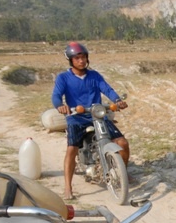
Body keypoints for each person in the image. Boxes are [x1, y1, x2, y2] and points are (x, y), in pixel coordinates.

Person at [51, 41, 130, 200]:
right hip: (76, 117)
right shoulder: (63, 78)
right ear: (71, 60)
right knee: (71, 149)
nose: (81, 61)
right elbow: (56, 95)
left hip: (96, 115)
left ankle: (123, 173)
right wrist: (60, 106)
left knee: (122, 143)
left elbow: (107, 89)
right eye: (77, 58)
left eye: (84, 57)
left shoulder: (94, 75)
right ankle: (68, 187)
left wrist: (117, 100)